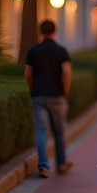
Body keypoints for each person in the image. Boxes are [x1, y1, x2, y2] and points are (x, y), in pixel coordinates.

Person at [25, 19, 73, 178]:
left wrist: (33, 90)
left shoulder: (33, 51)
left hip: (38, 96)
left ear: (40, 31)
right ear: (55, 31)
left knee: (41, 131)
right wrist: (65, 92)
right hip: (57, 95)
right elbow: (66, 72)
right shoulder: (61, 50)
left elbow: (28, 74)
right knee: (59, 131)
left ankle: (43, 166)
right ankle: (61, 164)